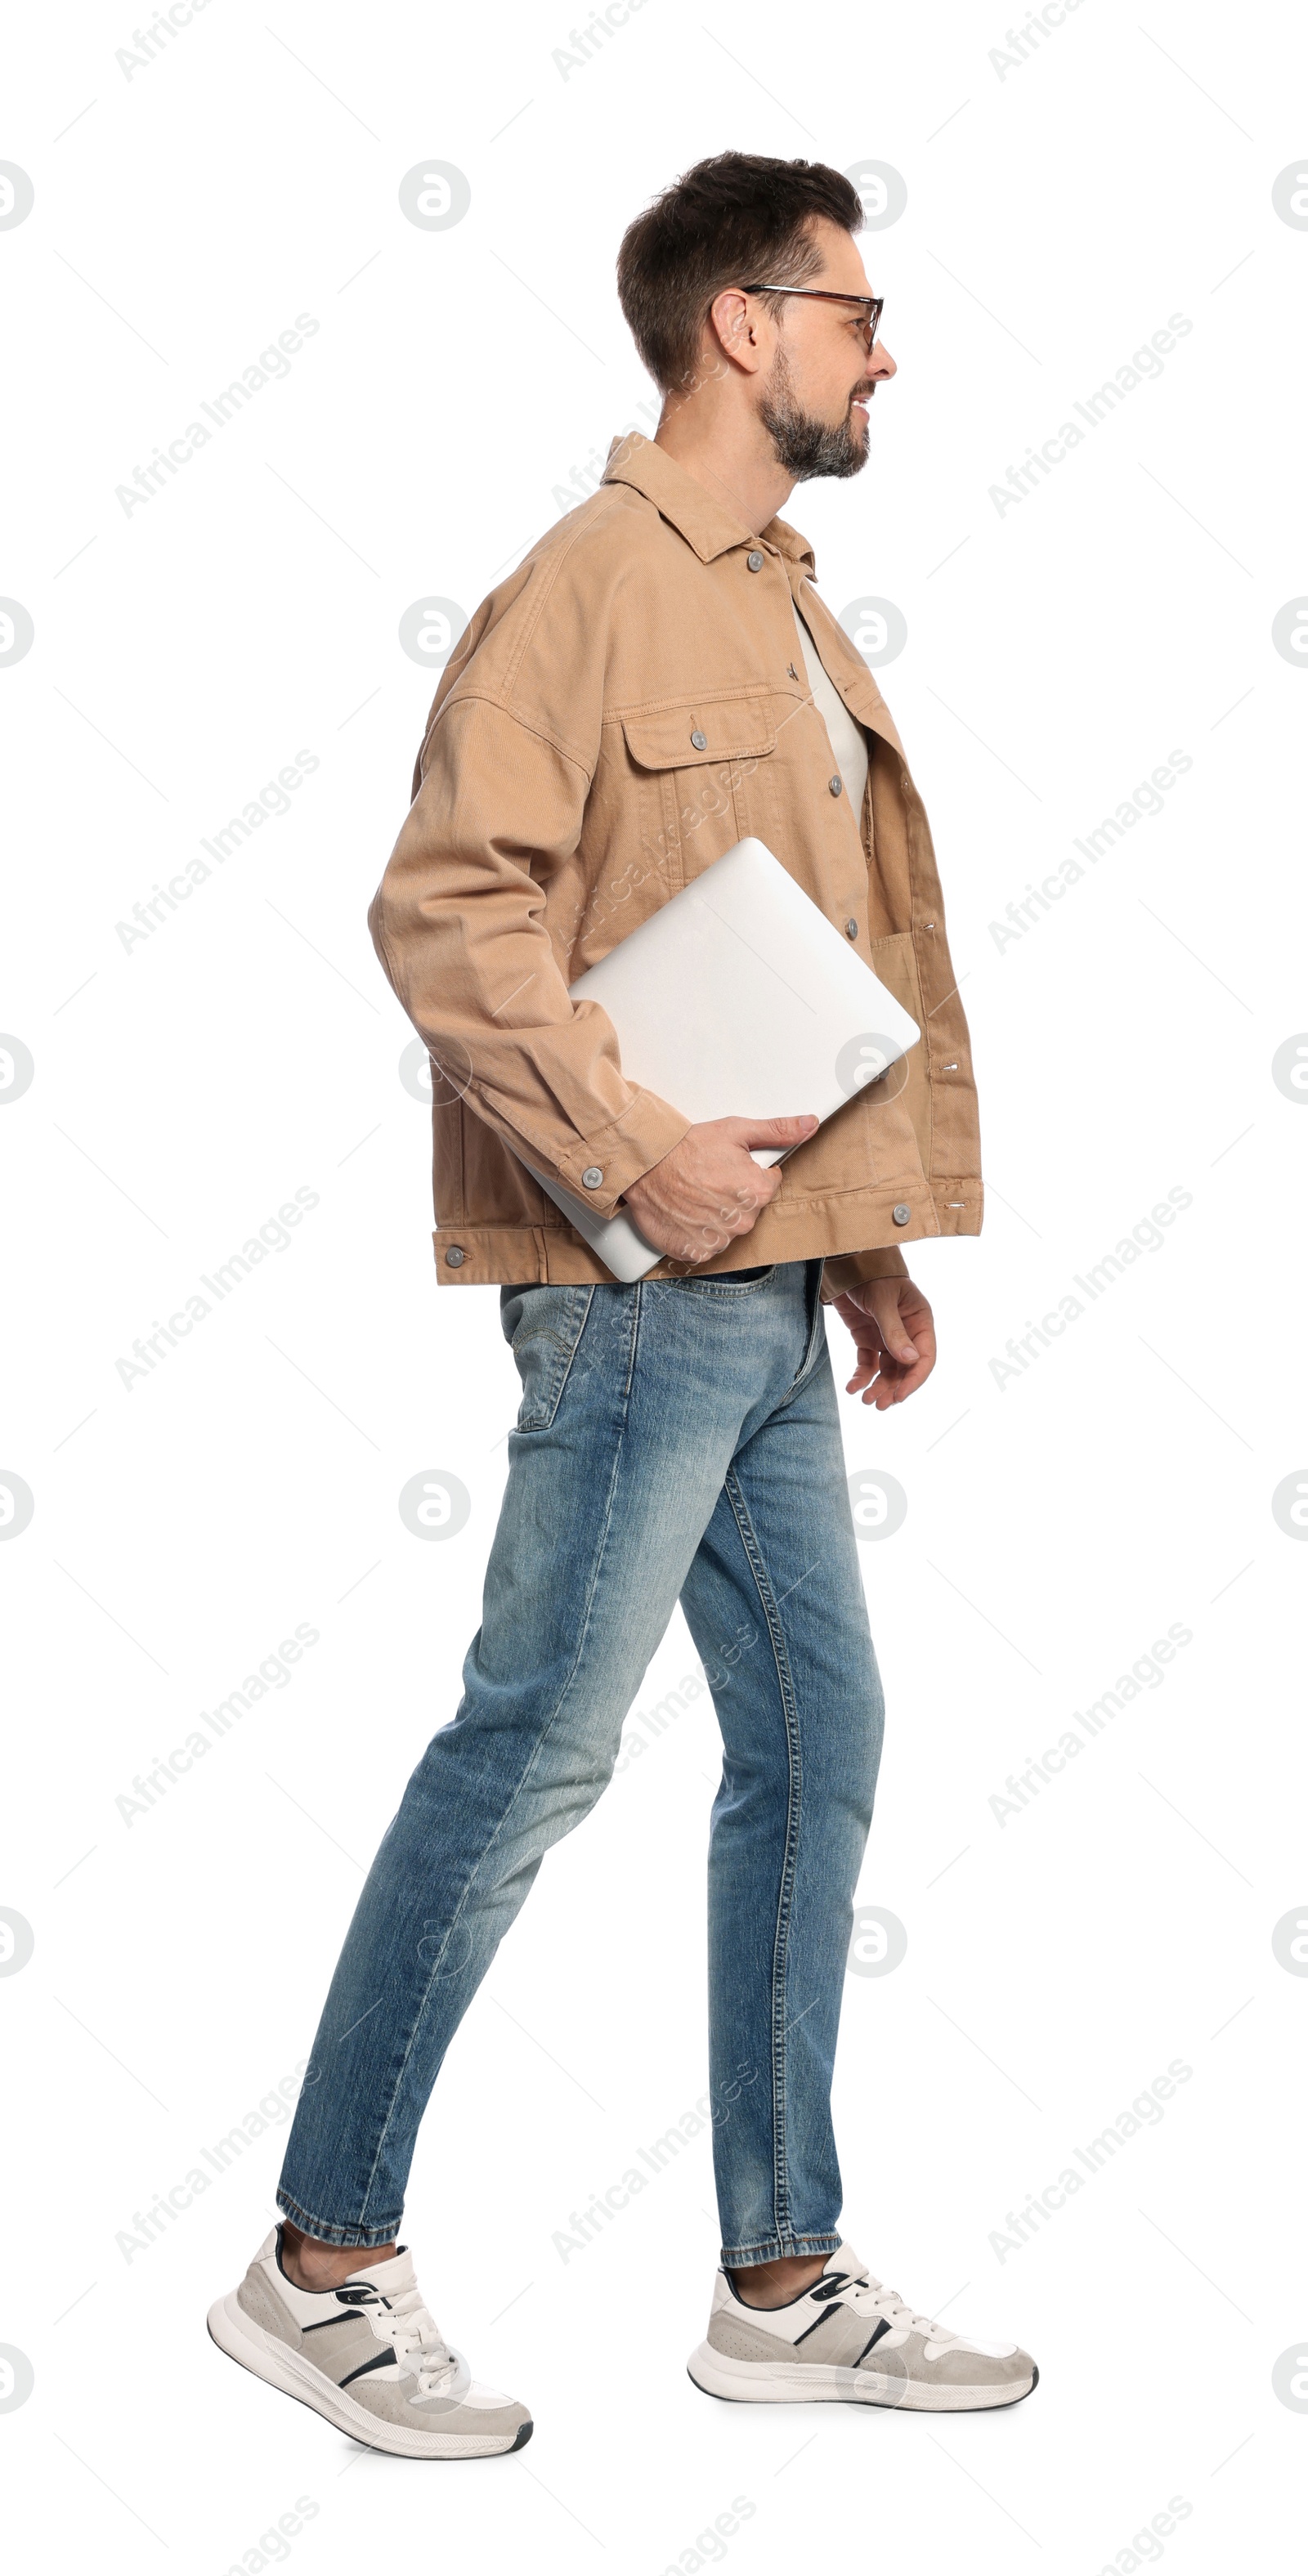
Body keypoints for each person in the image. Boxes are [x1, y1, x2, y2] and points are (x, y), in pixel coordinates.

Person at [208, 150, 1036, 2457]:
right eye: (856, 310)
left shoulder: (782, 602)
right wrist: (633, 1150)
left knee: (817, 1751)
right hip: (632, 1284)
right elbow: (451, 914)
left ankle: (781, 2272)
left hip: (759, 1296)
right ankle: (319, 2260)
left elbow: (788, 961)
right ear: (741, 326)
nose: (888, 349)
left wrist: (848, 1235)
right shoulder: (583, 591)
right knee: (531, 1754)